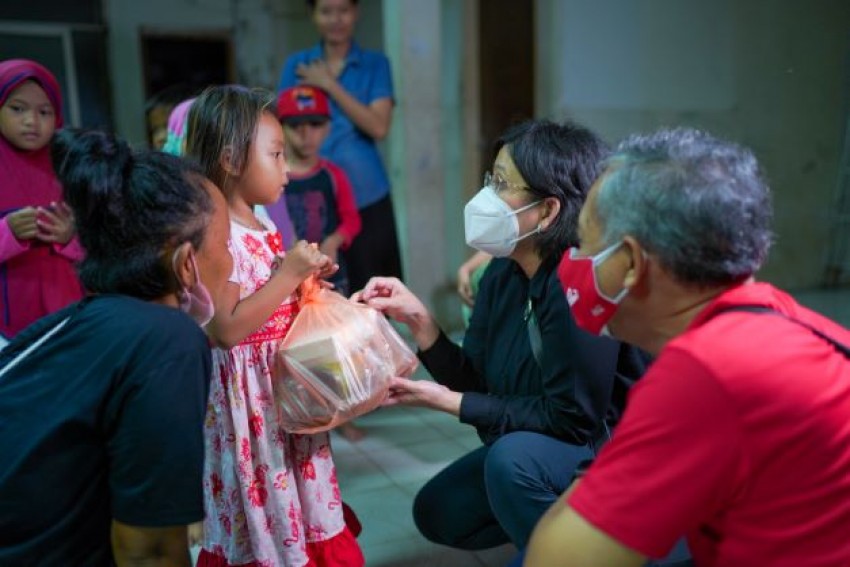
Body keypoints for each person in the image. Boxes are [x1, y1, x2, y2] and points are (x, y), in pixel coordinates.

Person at [526, 128, 850, 566]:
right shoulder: (779, 313)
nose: (574, 262)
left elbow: (557, 560)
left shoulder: (707, 373)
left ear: (631, 263)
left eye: (584, 242)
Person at [355, 120, 647, 552]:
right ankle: (558, 519)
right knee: (439, 511)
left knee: (511, 462)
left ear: (548, 211)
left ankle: (584, 550)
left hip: (608, 450)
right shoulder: (503, 272)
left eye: (504, 184)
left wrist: (447, 402)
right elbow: (476, 379)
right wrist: (421, 321)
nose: (487, 195)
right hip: (553, 441)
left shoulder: (577, 284)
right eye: (492, 178)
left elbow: (572, 420)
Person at [0, 128, 232, 565]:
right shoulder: (168, 340)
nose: (232, 261)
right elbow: (148, 552)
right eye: (225, 244)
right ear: (186, 264)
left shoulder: (79, 324)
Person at [185, 85, 363, 567]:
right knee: (265, 513)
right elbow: (224, 329)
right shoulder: (212, 230)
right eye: (277, 155)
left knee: (302, 509)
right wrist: (288, 275)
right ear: (231, 159)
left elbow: (270, 297)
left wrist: (301, 278)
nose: (287, 169)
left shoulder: (262, 222)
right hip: (251, 414)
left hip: (280, 401)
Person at [279, 0, 403, 293]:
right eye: (326, 11)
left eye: (343, 10)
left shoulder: (375, 64)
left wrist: (329, 84)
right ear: (313, 15)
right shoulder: (297, 66)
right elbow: (282, 123)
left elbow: (378, 126)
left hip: (366, 193)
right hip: (309, 194)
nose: (336, 19)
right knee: (317, 291)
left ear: (356, 12)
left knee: (374, 290)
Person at [0, 59, 84, 346]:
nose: (31, 121)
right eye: (17, 108)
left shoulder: (71, 165)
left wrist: (70, 238)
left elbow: (105, 247)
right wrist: (7, 233)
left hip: (70, 318)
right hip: (6, 335)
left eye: (44, 111)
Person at [274, 85, 361, 298]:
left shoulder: (333, 175)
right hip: (288, 277)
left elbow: (352, 219)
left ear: (328, 128)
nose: (306, 134)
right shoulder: (274, 177)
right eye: (295, 125)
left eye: (315, 124)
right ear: (280, 128)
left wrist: (333, 241)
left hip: (330, 274)